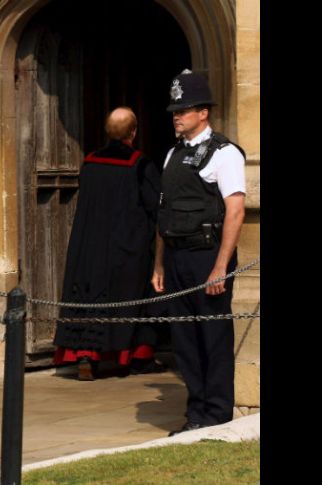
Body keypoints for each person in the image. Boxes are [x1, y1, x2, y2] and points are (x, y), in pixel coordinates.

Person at [151, 70, 246, 436]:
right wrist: (159, 263)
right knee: (185, 340)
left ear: (203, 112)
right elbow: (165, 211)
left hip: (208, 256)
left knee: (213, 337)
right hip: (176, 257)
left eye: (185, 109)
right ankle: (196, 414)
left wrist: (220, 267)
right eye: (175, 110)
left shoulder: (224, 153)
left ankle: (217, 414)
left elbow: (235, 211)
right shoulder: (173, 154)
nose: (177, 115)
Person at [52, 107, 165, 381]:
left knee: (89, 299)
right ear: (134, 133)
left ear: (106, 131)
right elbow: (157, 207)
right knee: (135, 297)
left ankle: (86, 358)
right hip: (125, 248)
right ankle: (137, 357)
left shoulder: (90, 162)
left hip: (89, 248)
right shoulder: (139, 164)